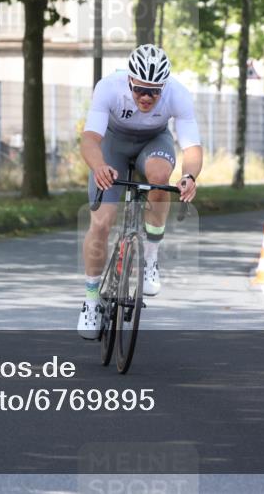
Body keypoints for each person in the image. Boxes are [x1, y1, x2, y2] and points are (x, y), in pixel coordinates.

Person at [77, 44, 203, 339]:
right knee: (101, 223)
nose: (147, 98)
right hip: (112, 145)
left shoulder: (178, 94)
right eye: (140, 90)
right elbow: (90, 139)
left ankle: (150, 258)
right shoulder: (108, 87)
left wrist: (189, 176)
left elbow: (191, 146)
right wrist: (99, 167)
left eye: (154, 92)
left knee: (161, 177)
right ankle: (92, 299)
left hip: (153, 143)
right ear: (130, 81)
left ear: (164, 87)